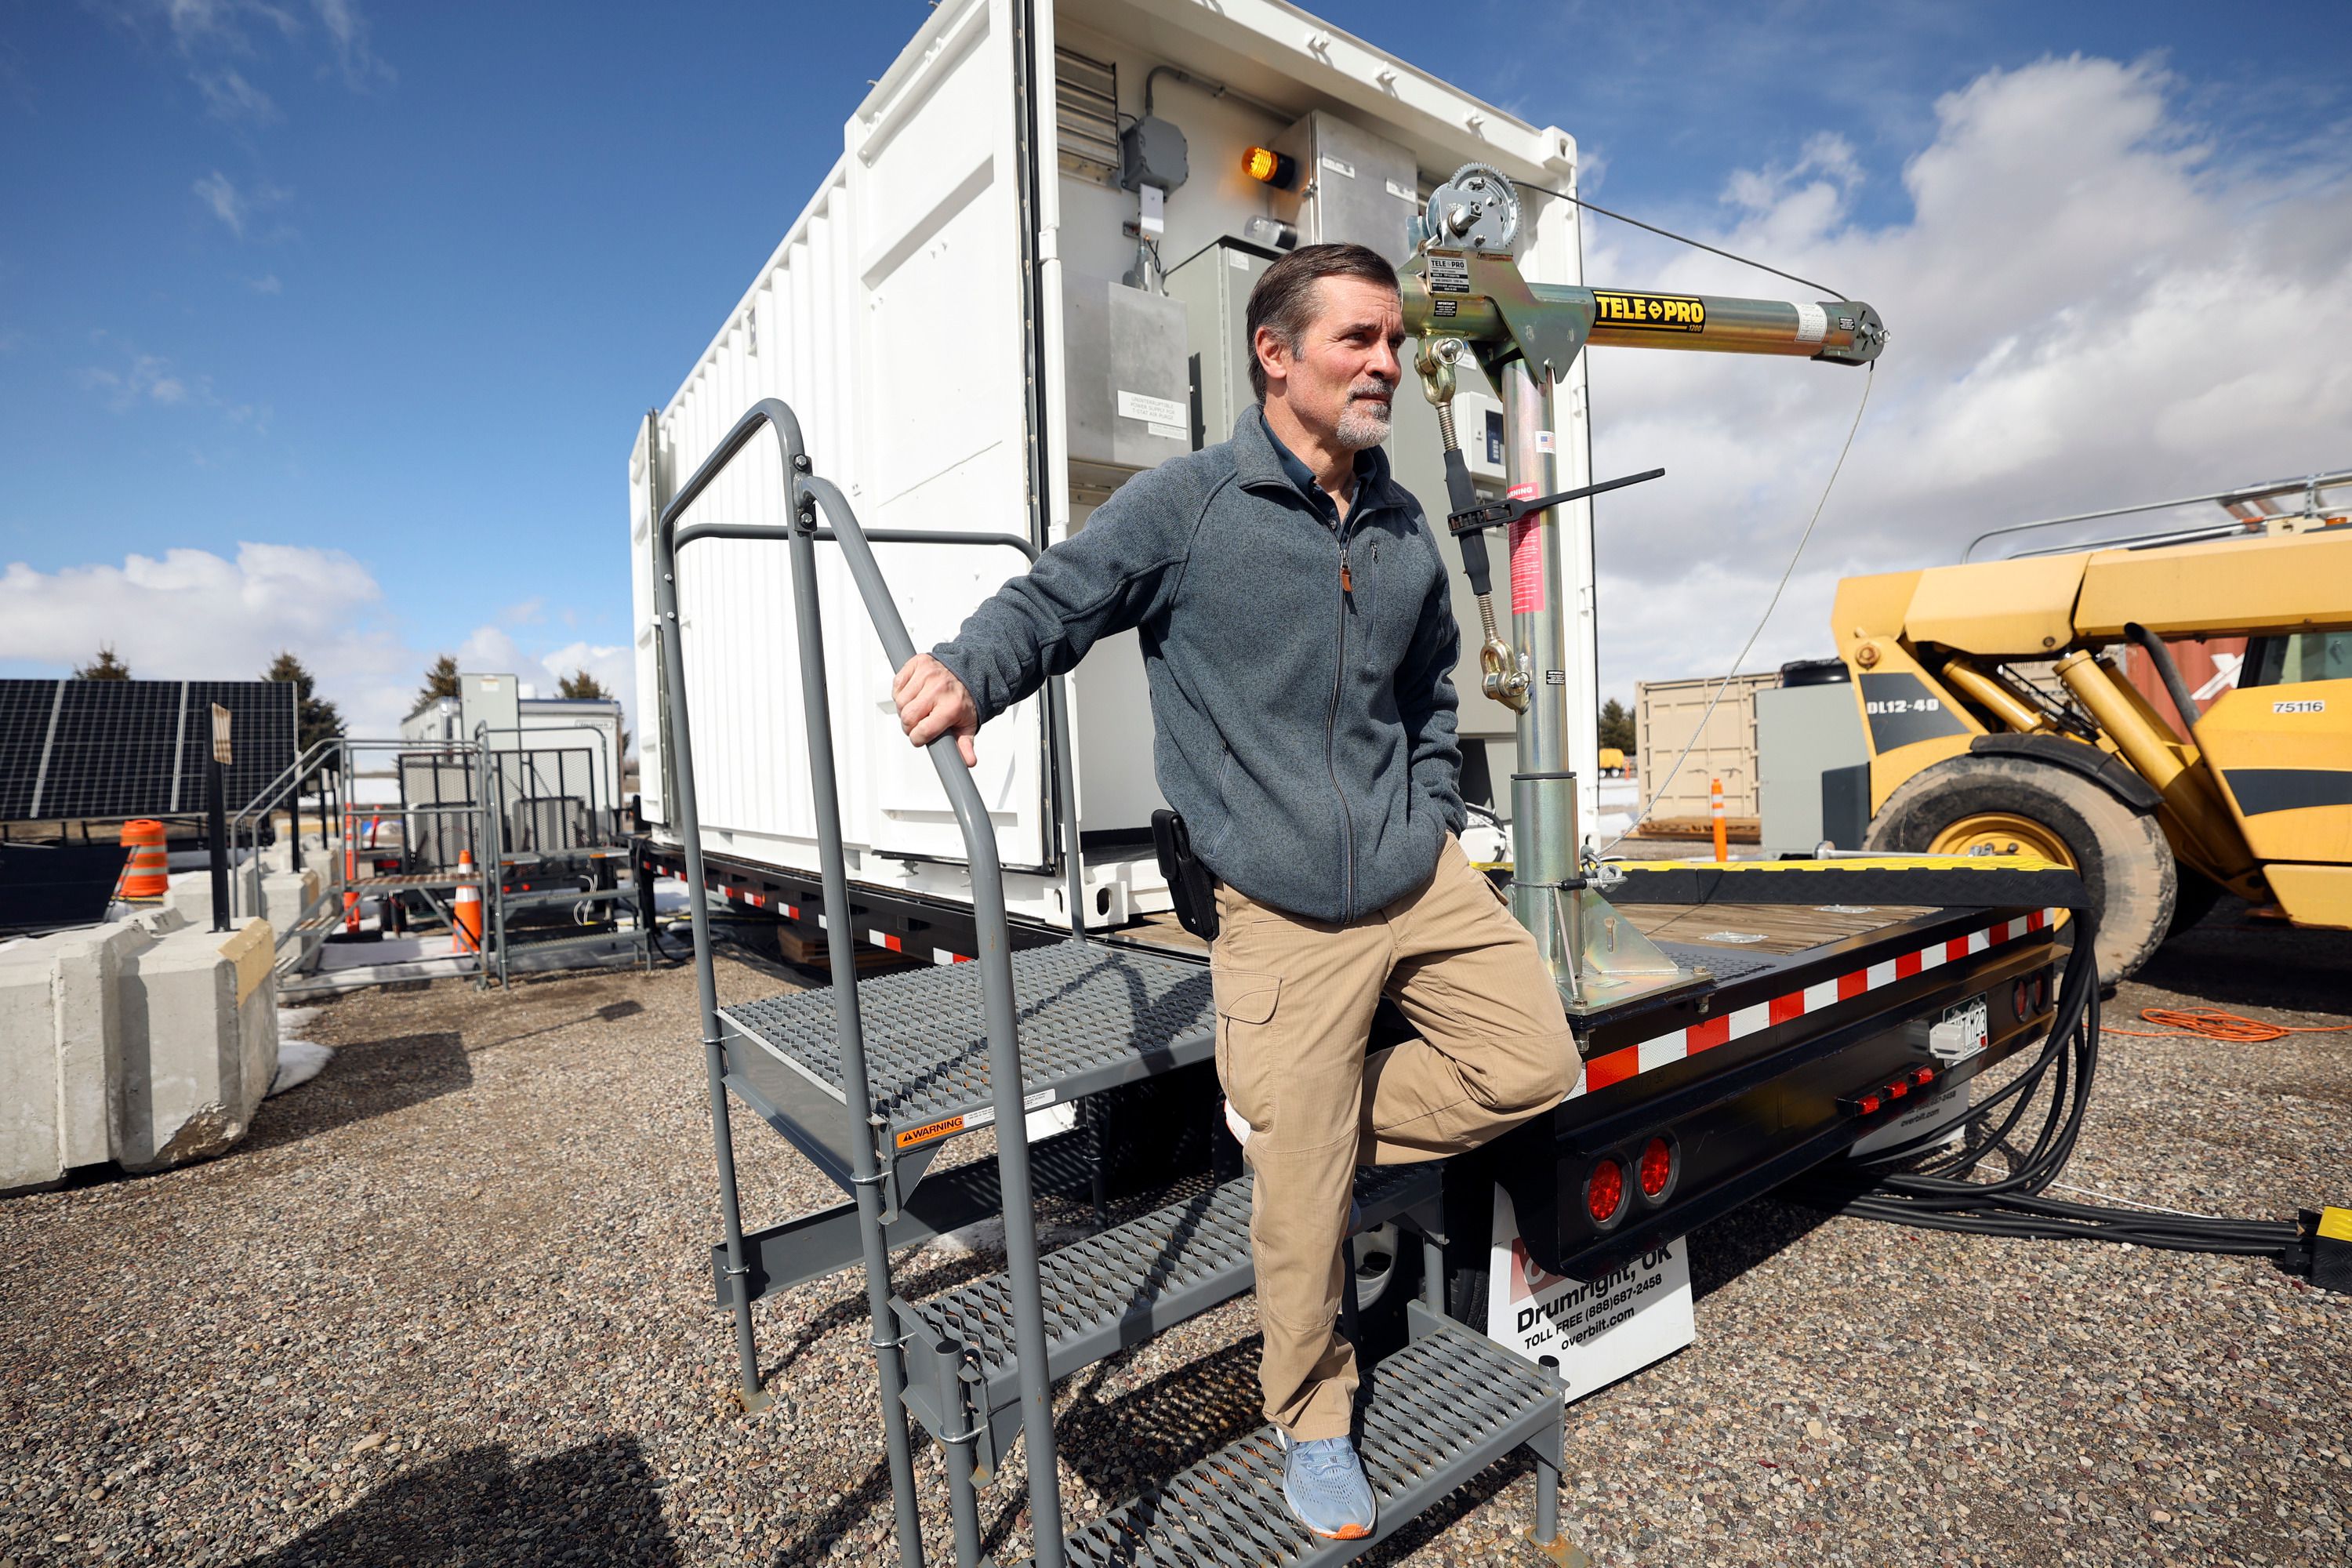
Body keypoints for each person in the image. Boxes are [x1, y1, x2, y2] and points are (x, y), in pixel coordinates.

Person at [893, 242, 1575, 1541]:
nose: (1386, 364)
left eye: (1391, 342)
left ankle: (1292, 1148)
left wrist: (1429, 804)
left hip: (1416, 871)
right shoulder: (1191, 504)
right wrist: (972, 670)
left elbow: (1430, 685)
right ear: (1278, 353)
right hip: (1277, 904)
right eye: (1357, 341)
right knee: (1305, 1191)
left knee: (1533, 1063)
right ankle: (1314, 1418)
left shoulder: (1401, 519)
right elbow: (1057, 597)